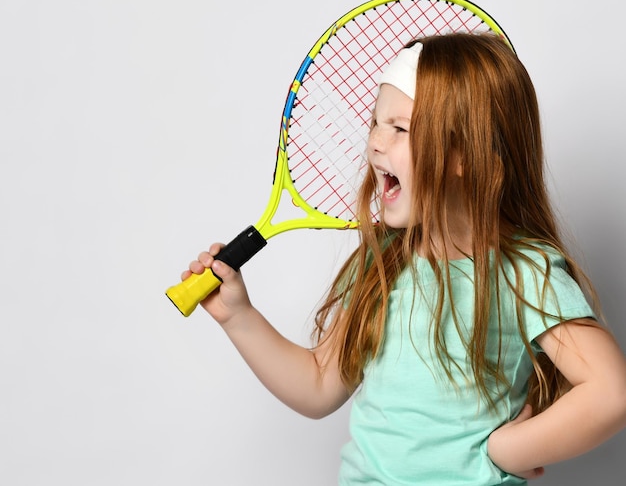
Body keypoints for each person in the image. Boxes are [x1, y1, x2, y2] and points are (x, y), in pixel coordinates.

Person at [181, 33, 626, 484]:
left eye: (399, 128)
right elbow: (317, 385)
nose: (375, 141)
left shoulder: (523, 272)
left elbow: (609, 393)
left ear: (463, 156)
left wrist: (507, 450)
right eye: (375, 123)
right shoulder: (381, 264)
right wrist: (237, 316)